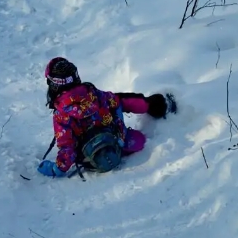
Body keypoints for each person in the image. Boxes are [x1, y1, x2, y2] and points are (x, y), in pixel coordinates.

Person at [38, 57, 175, 177]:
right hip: (116, 141)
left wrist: (57, 169)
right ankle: (154, 105)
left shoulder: (61, 114)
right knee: (120, 102)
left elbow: (66, 146)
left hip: (90, 158)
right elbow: (114, 101)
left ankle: (102, 155)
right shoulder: (92, 94)